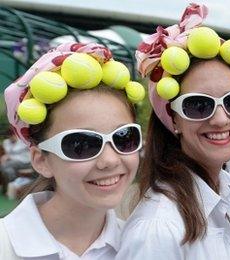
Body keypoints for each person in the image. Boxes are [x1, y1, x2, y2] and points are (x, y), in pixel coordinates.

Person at [117, 4, 230, 259]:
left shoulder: (222, 191)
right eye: (199, 106)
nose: (222, 119)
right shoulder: (157, 230)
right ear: (173, 119)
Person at [0, 42, 144, 259]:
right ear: (41, 161)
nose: (110, 160)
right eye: (81, 145)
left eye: (124, 137)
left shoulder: (143, 245)